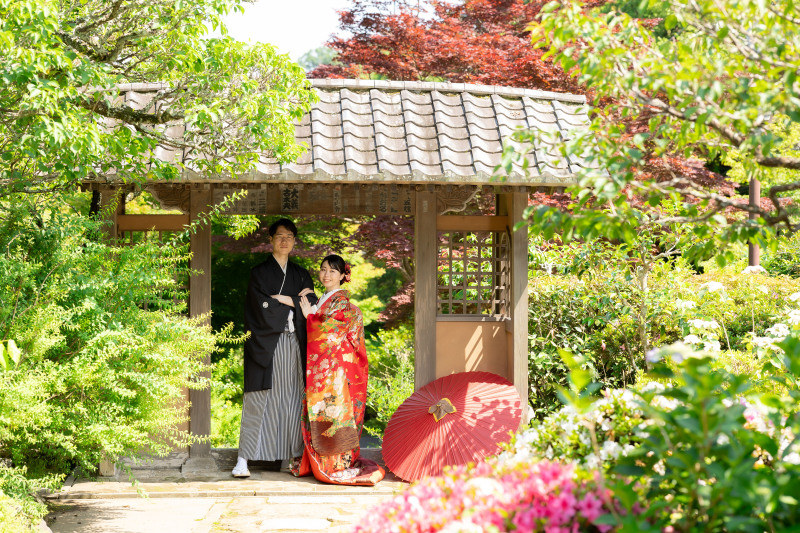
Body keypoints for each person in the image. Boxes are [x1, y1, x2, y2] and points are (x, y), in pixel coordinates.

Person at [232, 218, 318, 478]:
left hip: (294, 344)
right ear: (270, 239)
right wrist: (294, 302)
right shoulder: (259, 273)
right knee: (259, 399)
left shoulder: (301, 273)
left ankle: (288, 458)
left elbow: (311, 303)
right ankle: (243, 459)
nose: (285, 241)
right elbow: (259, 308)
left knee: (292, 399)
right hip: (266, 342)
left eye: (290, 236)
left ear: (294, 241)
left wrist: (283, 299)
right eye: (280, 236)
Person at [293, 254, 385, 485]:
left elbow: (330, 333)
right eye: (323, 269)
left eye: (333, 271)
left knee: (335, 416)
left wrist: (311, 317)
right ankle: (320, 462)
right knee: (324, 415)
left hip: (337, 374)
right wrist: (313, 313)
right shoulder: (326, 299)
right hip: (330, 369)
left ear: (344, 275)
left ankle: (337, 464)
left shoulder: (342, 304)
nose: (326, 275)